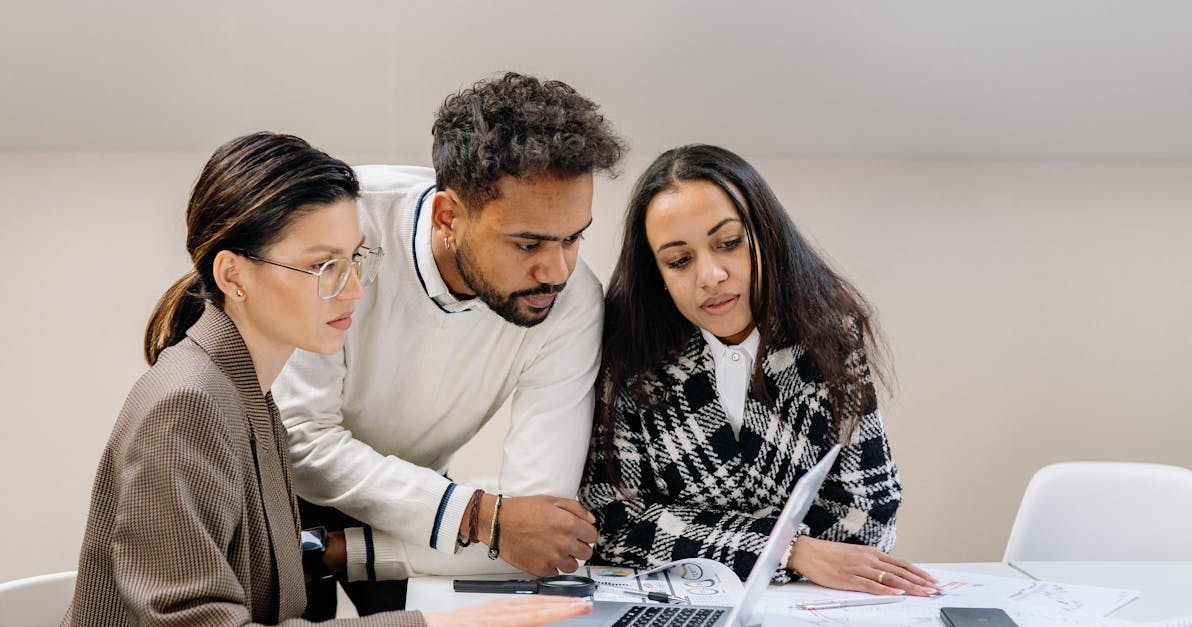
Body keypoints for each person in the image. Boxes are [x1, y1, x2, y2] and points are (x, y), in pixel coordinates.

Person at [64, 132, 592, 626]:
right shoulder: (186, 406)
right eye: (324, 267)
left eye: (356, 258)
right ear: (233, 275)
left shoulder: (246, 395)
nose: (356, 290)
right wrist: (436, 623)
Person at [272, 72, 626, 617]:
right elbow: (300, 443)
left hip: (423, 506)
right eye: (528, 242)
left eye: (575, 236)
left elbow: (537, 529)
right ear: (448, 217)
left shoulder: (574, 300)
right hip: (281, 498)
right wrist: (482, 516)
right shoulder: (345, 227)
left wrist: (481, 520)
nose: (557, 270)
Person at [579, 144, 941, 596]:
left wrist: (686, 532)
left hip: (806, 606)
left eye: (727, 243)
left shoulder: (830, 336)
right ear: (657, 275)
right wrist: (789, 548)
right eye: (679, 260)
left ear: (766, 236)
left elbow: (870, 519)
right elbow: (609, 520)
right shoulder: (627, 354)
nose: (710, 275)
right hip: (675, 607)